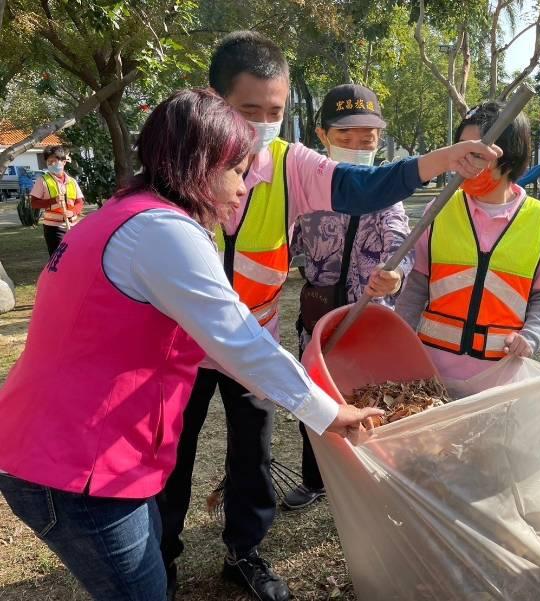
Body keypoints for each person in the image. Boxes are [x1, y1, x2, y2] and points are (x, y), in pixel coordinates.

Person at [0, 88, 387, 601]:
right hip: (79, 469)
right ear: (197, 165)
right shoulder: (164, 232)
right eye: (237, 171)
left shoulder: (126, 212)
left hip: (64, 451)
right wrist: (330, 412)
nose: (244, 189)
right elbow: (240, 341)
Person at [156, 31, 500, 601]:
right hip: (179, 351)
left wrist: (442, 159)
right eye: (249, 111)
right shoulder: (176, 170)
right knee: (169, 457)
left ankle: (243, 553)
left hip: (253, 346)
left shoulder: (290, 164)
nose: (262, 126)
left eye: (276, 112)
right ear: (213, 104)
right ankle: (159, 563)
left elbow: (363, 187)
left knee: (254, 456)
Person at [282, 83, 413, 511]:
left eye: (367, 139)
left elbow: (399, 241)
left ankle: (371, 480)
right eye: (345, 138)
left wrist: (393, 276)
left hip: (368, 325)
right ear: (322, 136)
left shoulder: (385, 193)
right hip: (319, 324)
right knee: (314, 402)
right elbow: (285, 241)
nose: (357, 147)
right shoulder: (305, 191)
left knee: (369, 403)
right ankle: (316, 478)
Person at [396, 101, 540, 382]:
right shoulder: (439, 210)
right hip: (433, 372)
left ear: (509, 156)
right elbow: (415, 285)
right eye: (461, 148)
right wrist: (399, 342)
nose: (464, 160)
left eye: (477, 151)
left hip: (499, 375)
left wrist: (531, 336)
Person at [30, 145, 85, 255]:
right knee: (58, 259)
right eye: (48, 162)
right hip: (54, 228)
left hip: (73, 226)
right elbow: (34, 203)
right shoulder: (42, 181)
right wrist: (52, 200)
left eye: (54, 161)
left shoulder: (72, 181)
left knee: (75, 256)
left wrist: (73, 211)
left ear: (63, 162)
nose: (51, 164)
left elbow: (80, 202)